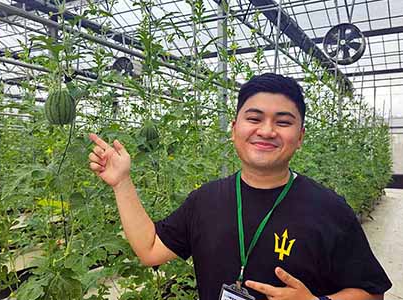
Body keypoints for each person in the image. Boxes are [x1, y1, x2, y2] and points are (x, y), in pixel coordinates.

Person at [88, 73, 392, 300]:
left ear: (300, 137)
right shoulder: (205, 200)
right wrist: (122, 182)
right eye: (254, 118)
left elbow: (371, 292)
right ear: (235, 130)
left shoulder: (329, 209)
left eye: (283, 122)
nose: (267, 130)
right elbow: (150, 250)